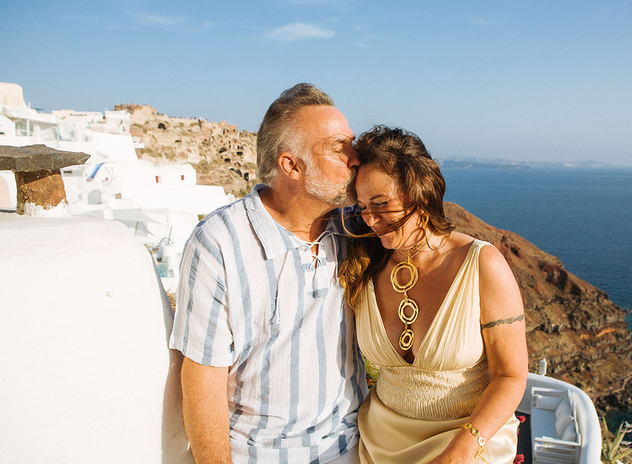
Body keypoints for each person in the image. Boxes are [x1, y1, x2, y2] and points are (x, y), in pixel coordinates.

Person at [169, 83, 367, 464]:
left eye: (352, 144)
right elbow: (202, 380)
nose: (355, 158)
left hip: (354, 448)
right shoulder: (219, 243)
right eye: (338, 148)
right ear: (290, 165)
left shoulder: (355, 229)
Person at [339, 126, 528, 463]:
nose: (370, 219)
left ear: (420, 194)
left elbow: (510, 376)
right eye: (363, 206)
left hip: (468, 441)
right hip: (379, 442)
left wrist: (461, 450)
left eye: (381, 204)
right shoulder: (361, 264)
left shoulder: (481, 264)